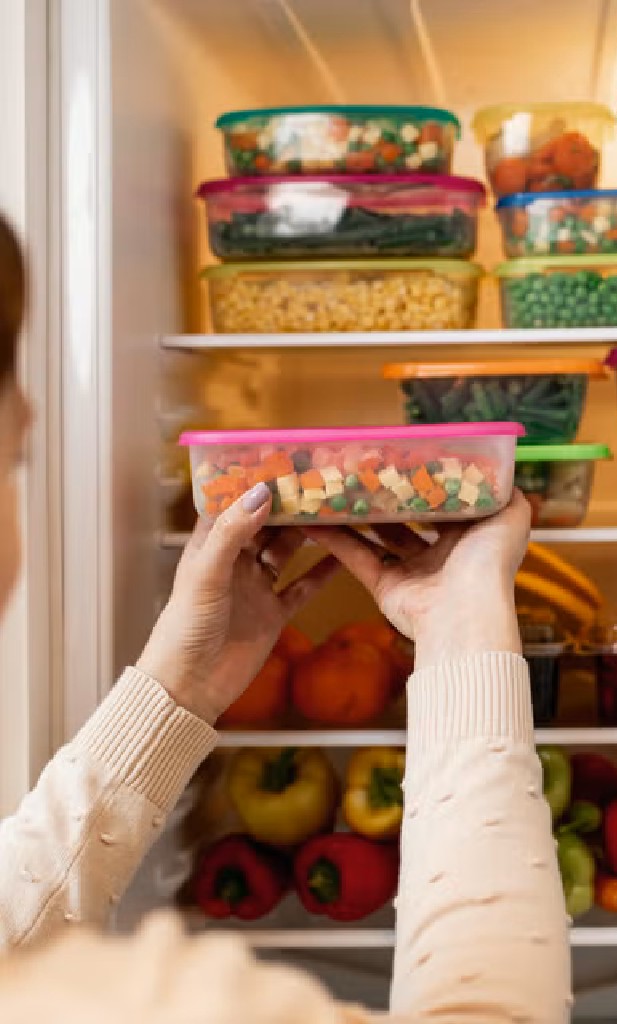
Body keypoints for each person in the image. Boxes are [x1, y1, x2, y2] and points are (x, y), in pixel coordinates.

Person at [0, 214, 571, 1021]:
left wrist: (178, 686)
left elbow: (14, 916)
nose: (27, 420)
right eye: (16, 453)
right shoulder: (156, 1004)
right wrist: (465, 629)